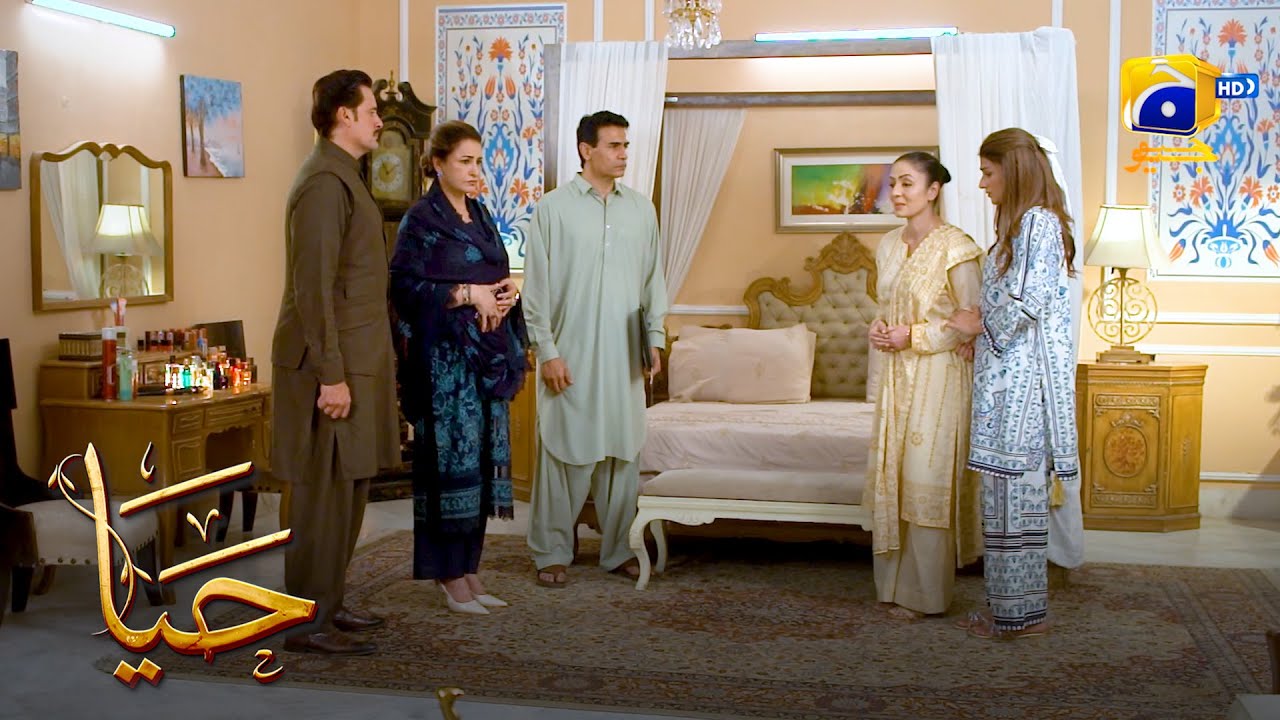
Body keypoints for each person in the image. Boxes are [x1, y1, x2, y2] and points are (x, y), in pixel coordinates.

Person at [272, 69, 400, 655]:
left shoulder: (345, 175)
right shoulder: (324, 182)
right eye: (371, 110)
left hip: (357, 361)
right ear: (343, 116)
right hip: (331, 367)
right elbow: (313, 287)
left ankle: (329, 601)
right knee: (323, 497)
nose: (379, 120)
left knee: (348, 490)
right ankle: (306, 620)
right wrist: (331, 376)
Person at [521, 111, 668, 588]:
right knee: (565, 451)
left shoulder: (641, 210)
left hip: (624, 354)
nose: (624, 154)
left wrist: (655, 338)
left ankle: (621, 549)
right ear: (587, 150)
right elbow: (536, 290)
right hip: (571, 350)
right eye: (614, 146)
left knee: (623, 452)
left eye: (626, 145)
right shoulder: (552, 209)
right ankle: (551, 552)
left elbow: (653, 280)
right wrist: (547, 351)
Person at [946, 127, 1080, 640]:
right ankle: (1014, 613)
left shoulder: (1039, 224)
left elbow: (1027, 303)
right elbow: (1012, 300)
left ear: (1015, 169)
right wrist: (979, 336)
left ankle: (1021, 618)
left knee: (1015, 504)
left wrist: (977, 326)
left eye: (987, 172)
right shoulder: (1023, 226)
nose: (982, 183)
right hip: (1007, 382)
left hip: (1021, 391)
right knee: (1006, 503)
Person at [389, 120, 526, 615]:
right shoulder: (421, 221)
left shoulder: (481, 213)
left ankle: (469, 569)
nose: (474, 171)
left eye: (478, 162)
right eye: (464, 162)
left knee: (481, 468)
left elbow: (496, 271)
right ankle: (447, 574)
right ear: (438, 163)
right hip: (445, 368)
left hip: (486, 359)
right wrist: (467, 294)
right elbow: (403, 288)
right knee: (448, 469)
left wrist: (506, 294)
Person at [864, 152, 985, 620]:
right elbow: (885, 305)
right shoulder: (888, 245)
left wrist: (912, 336)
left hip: (939, 376)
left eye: (907, 184)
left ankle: (926, 596)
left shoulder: (957, 248)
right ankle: (893, 588)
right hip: (895, 377)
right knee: (894, 475)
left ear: (933, 190)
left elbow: (970, 323)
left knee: (925, 478)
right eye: (892, 183)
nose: (896, 192)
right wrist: (879, 328)